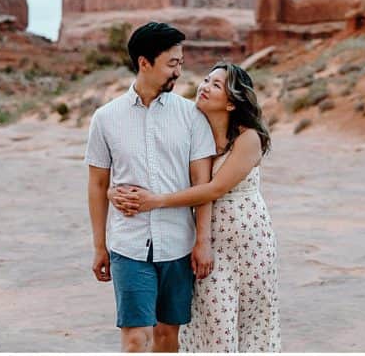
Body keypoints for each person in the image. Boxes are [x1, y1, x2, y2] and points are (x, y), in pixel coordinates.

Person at [110, 62, 281, 352]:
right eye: (206, 80)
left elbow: (214, 189)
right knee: (212, 321)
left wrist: (156, 201)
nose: (204, 87)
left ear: (230, 103)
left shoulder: (248, 137)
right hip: (205, 238)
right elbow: (156, 170)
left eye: (216, 85)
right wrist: (116, 192)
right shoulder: (190, 127)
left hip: (248, 243)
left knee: (250, 322)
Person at [85, 22, 217, 353]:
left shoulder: (191, 117)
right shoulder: (106, 118)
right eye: (172, 63)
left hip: (177, 244)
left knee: (166, 336)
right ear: (145, 63)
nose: (178, 71)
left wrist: (202, 242)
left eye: (180, 64)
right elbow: (98, 183)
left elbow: (203, 186)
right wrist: (99, 245)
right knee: (134, 339)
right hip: (128, 246)